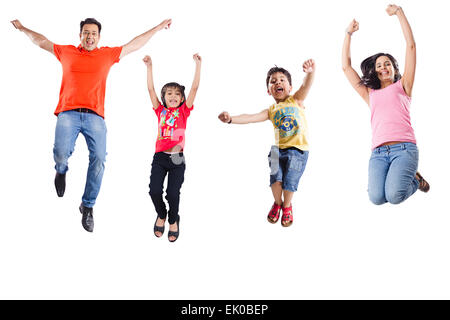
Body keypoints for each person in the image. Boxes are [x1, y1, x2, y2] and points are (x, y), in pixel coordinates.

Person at [11, 17, 172, 232]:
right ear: (80, 35)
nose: (90, 36)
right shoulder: (66, 51)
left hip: (95, 116)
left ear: (99, 37)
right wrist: (22, 29)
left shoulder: (106, 54)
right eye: (86, 33)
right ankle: (61, 170)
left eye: (94, 33)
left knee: (99, 159)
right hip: (68, 113)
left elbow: (134, 44)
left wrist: (159, 27)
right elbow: (41, 41)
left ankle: (87, 206)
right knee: (60, 152)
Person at [341, 5, 429, 206]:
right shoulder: (369, 94)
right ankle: (407, 176)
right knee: (377, 198)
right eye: (379, 65)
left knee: (394, 197)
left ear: (393, 67)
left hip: (405, 148)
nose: (383, 67)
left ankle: (416, 180)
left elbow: (411, 47)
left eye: (387, 63)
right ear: (375, 71)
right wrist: (348, 34)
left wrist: (399, 13)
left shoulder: (403, 86)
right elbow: (346, 67)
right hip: (379, 153)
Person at [218, 60, 315, 227]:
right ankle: (277, 203)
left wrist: (310, 72)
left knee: (290, 183)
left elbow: (306, 86)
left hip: (298, 150)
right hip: (278, 150)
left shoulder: (296, 100)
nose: (277, 82)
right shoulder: (271, 111)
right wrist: (230, 119)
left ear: (290, 87)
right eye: (273, 81)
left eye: (282, 80)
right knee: (275, 180)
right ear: (269, 91)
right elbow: (250, 117)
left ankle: (287, 206)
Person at [143, 53, 201, 242]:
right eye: (169, 93)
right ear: (164, 97)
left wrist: (198, 65)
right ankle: (162, 214)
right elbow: (151, 89)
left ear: (182, 98)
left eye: (177, 94)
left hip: (177, 157)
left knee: (173, 193)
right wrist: (149, 67)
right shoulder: (160, 110)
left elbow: (194, 88)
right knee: (154, 191)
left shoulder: (184, 111)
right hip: (160, 157)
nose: (174, 97)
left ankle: (174, 219)